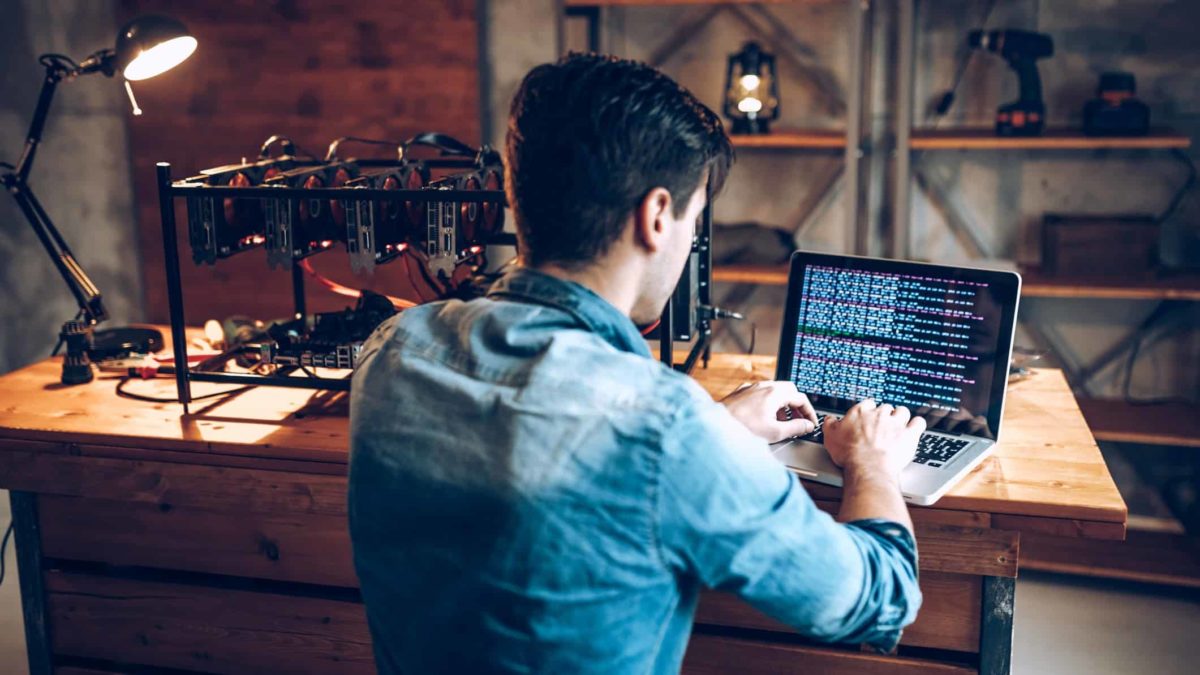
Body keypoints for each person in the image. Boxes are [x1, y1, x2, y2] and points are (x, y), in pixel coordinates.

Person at [348, 53, 925, 675]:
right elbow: (879, 598)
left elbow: (549, 455)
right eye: (694, 218)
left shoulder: (395, 352)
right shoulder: (663, 427)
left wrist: (717, 431)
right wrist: (871, 459)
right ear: (655, 217)